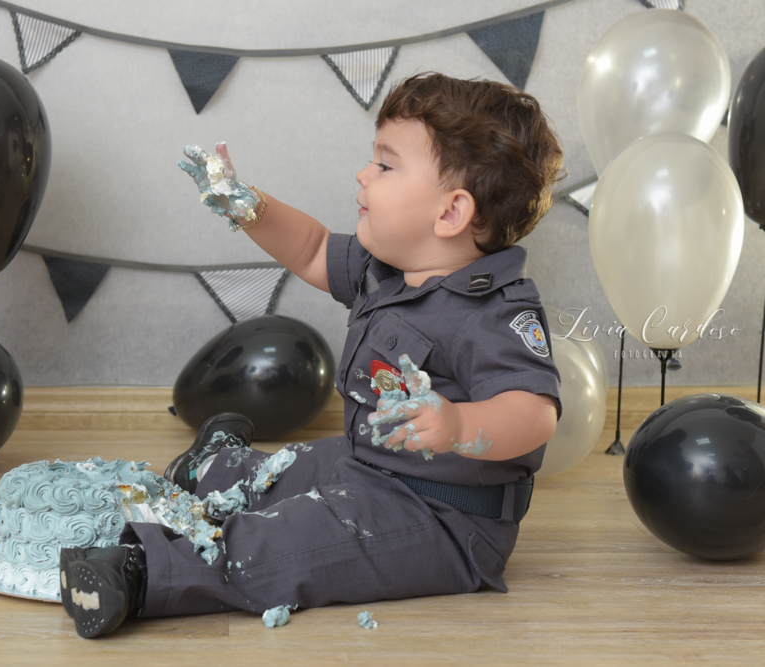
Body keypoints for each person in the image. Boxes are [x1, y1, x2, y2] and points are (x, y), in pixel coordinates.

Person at [60, 72, 564, 638]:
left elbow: (535, 411)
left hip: (442, 518)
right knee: (285, 468)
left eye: (385, 164)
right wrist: (245, 202)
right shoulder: (391, 270)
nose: (362, 173)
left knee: (287, 542)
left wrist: (459, 423)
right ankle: (213, 469)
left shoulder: (493, 313)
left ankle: (139, 571)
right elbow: (312, 247)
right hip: (367, 464)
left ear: (449, 213)